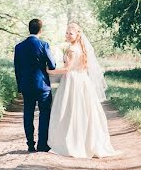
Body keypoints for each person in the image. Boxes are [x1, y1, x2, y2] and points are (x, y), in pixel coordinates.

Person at [47, 22, 116, 158]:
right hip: (83, 80)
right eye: (66, 32)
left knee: (71, 110)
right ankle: (85, 142)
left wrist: (49, 71)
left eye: (70, 33)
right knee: (82, 110)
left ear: (77, 34)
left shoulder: (72, 50)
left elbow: (67, 69)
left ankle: (73, 142)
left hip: (72, 80)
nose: (67, 35)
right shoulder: (81, 48)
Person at [14, 18, 56, 152]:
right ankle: (42, 144)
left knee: (28, 113)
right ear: (41, 30)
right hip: (42, 85)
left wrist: (20, 86)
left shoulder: (19, 47)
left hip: (26, 85)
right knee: (44, 114)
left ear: (29, 29)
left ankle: (30, 144)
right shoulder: (44, 45)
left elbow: (17, 69)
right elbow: (52, 65)